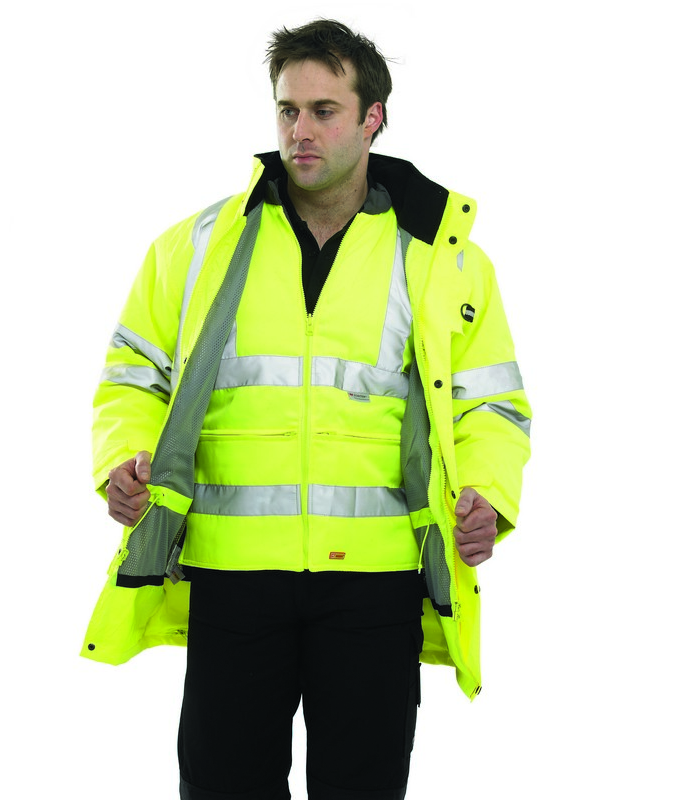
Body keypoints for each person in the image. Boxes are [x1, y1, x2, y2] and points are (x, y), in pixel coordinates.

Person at [81, 19, 531, 800]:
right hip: (232, 574)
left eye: (325, 111)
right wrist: (122, 458)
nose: (301, 130)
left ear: (372, 118)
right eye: (288, 110)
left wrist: (488, 495)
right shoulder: (197, 245)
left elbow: (490, 402)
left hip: (376, 583)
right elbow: (132, 376)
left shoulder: (441, 260)